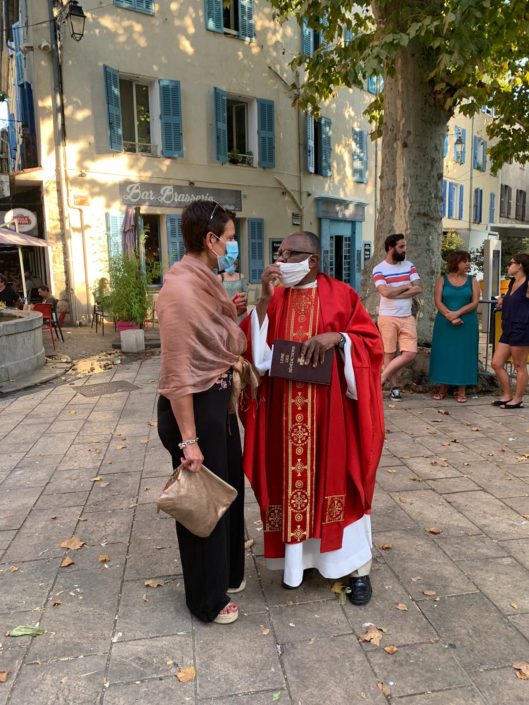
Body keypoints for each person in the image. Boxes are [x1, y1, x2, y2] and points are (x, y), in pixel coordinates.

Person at [239, 231, 384, 605]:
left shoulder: (342, 295)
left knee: (341, 485)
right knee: (289, 488)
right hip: (284, 417)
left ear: (313, 260)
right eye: (279, 253)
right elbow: (253, 353)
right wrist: (263, 300)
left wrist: (339, 338)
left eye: (290, 254)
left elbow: (371, 345)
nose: (281, 261)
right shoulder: (275, 298)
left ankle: (355, 569)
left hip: (332, 417)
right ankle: (298, 565)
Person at [156, 199, 254, 625]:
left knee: (227, 490)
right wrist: (189, 441)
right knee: (201, 502)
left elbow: (212, 339)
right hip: (191, 410)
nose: (233, 245)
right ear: (210, 239)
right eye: (229, 238)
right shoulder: (179, 291)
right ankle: (206, 599)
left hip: (217, 401)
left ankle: (228, 572)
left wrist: (233, 313)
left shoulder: (205, 282)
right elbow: (178, 372)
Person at [373, 233, 423, 401]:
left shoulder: (409, 265)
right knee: (389, 354)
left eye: (404, 246)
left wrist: (395, 292)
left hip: (407, 316)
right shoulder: (379, 269)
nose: (404, 250)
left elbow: (418, 288)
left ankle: (381, 378)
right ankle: (394, 388)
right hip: (387, 317)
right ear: (390, 248)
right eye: (401, 247)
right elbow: (385, 292)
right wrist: (405, 286)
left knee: (410, 353)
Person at [428, 251, 480, 403]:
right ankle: (442, 387)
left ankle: (462, 389)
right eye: (465, 261)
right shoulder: (442, 280)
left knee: (464, 355)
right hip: (445, 323)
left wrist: (457, 313)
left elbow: (475, 302)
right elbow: (438, 301)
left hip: (466, 323)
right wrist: (449, 316)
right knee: (444, 354)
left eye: (469, 261)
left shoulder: (473, 280)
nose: (468, 263)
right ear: (456, 262)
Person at [491, 253, 529, 409]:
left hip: (521, 328)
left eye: (511, 263)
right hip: (507, 327)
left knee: (519, 365)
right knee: (496, 363)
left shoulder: (527, 283)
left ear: (520, 265)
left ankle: (518, 399)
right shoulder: (512, 282)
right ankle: (507, 395)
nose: (508, 266)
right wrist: (503, 299)